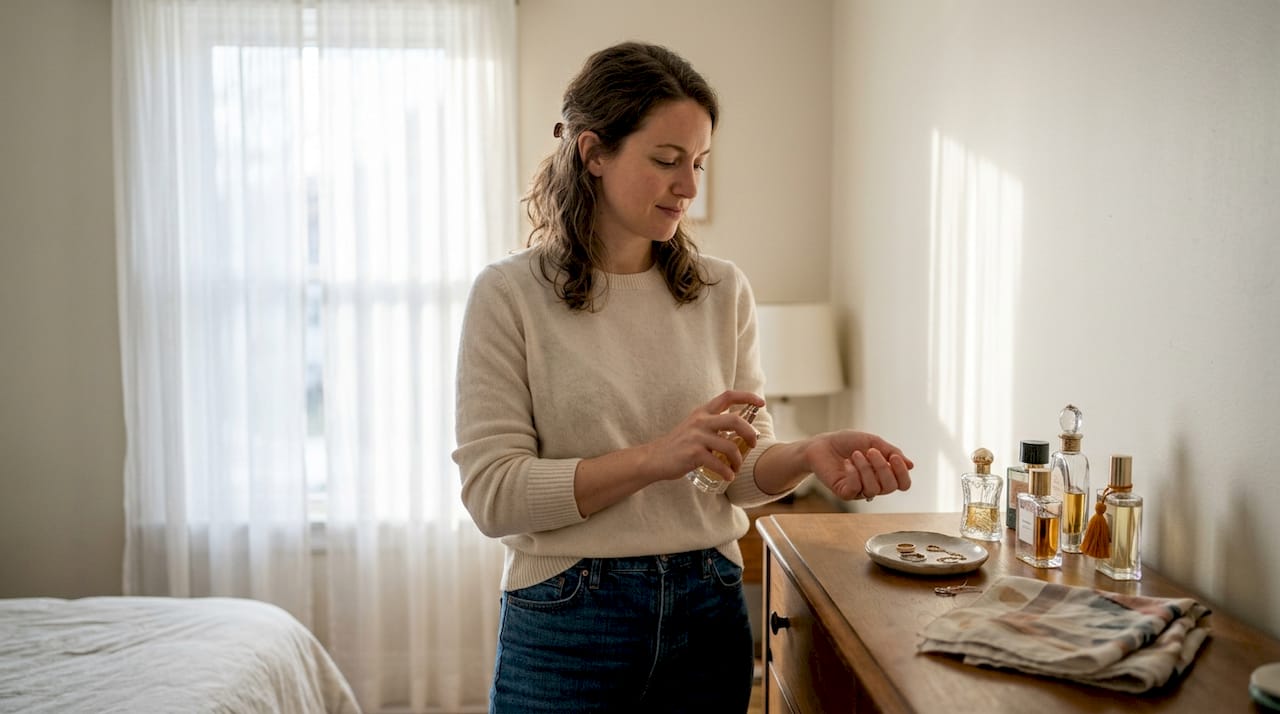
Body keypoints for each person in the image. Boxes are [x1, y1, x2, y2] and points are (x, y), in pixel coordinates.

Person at [453, 41, 914, 713]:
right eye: (667, 161)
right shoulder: (508, 295)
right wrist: (653, 459)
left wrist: (806, 455)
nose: (690, 187)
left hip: (708, 609)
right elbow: (493, 495)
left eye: (698, 163)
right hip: (567, 616)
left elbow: (738, 471)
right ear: (593, 153)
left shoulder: (722, 291)